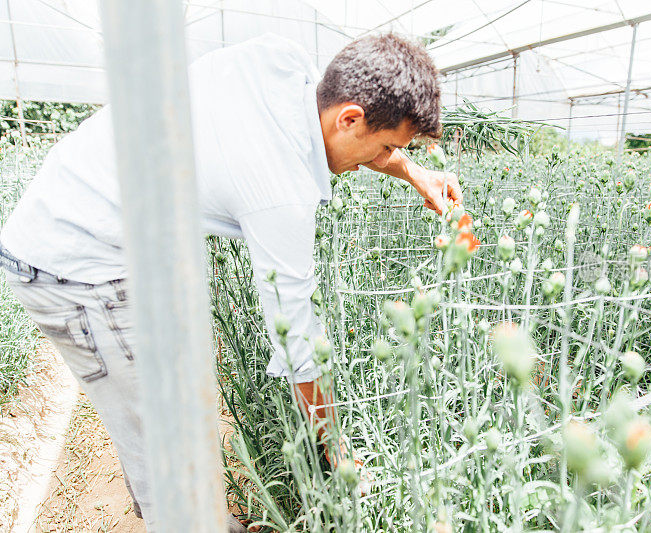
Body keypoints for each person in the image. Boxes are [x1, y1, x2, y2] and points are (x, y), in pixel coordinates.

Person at [0, 33, 462, 532]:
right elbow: (296, 343)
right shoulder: (279, 187)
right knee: (169, 444)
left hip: (115, 232)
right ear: (349, 118)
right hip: (74, 266)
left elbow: (349, 134)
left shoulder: (285, 64)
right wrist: (339, 452)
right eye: (388, 145)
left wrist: (412, 170)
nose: (386, 156)